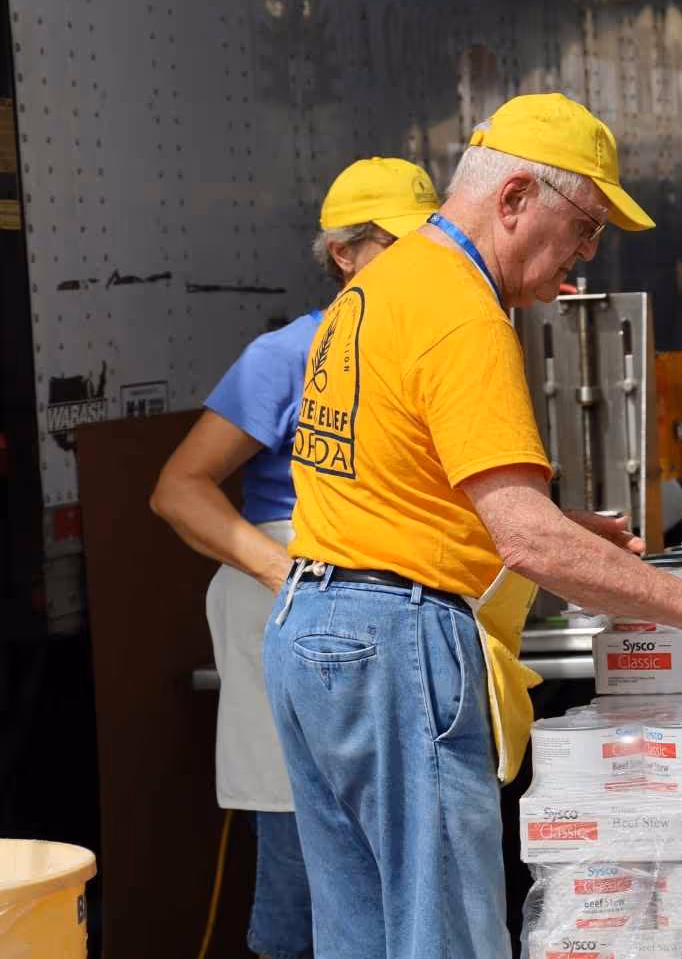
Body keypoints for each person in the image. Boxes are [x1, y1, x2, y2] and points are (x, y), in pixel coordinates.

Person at [263, 94, 682, 958]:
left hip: (312, 631)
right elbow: (528, 542)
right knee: (445, 940)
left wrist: (558, 525)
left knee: (363, 939)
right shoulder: (462, 311)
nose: (585, 255)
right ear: (514, 199)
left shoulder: (380, 287)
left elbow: (385, 474)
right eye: (584, 227)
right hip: (395, 645)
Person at [151, 156, 439, 959]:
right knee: (303, 837)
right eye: (397, 246)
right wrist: (291, 578)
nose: (422, 265)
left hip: (389, 602)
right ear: (343, 254)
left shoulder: (433, 344)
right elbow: (180, 489)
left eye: (431, 245)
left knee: (402, 842)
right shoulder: (288, 354)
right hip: (297, 596)